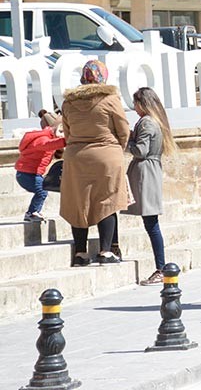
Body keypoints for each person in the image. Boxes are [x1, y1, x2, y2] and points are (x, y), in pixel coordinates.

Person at [60, 60, 130, 268]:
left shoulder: (68, 103)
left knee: (78, 203)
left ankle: (80, 252)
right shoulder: (110, 99)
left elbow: (67, 132)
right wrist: (117, 149)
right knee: (106, 202)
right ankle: (106, 251)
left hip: (76, 157)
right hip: (106, 155)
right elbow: (123, 130)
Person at [126, 87, 176, 285]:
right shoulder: (155, 121)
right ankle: (160, 267)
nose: (134, 107)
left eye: (136, 103)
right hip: (150, 171)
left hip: (145, 173)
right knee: (151, 222)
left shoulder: (147, 122)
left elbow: (140, 150)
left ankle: (161, 267)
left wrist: (126, 141)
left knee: (151, 223)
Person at [15, 110, 65, 222]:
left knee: (42, 190)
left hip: (31, 173)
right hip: (26, 174)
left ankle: (34, 211)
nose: (63, 133)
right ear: (53, 128)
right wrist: (65, 141)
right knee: (42, 191)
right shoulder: (42, 138)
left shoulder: (49, 137)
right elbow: (47, 145)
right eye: (61, 130)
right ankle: (32, 212)